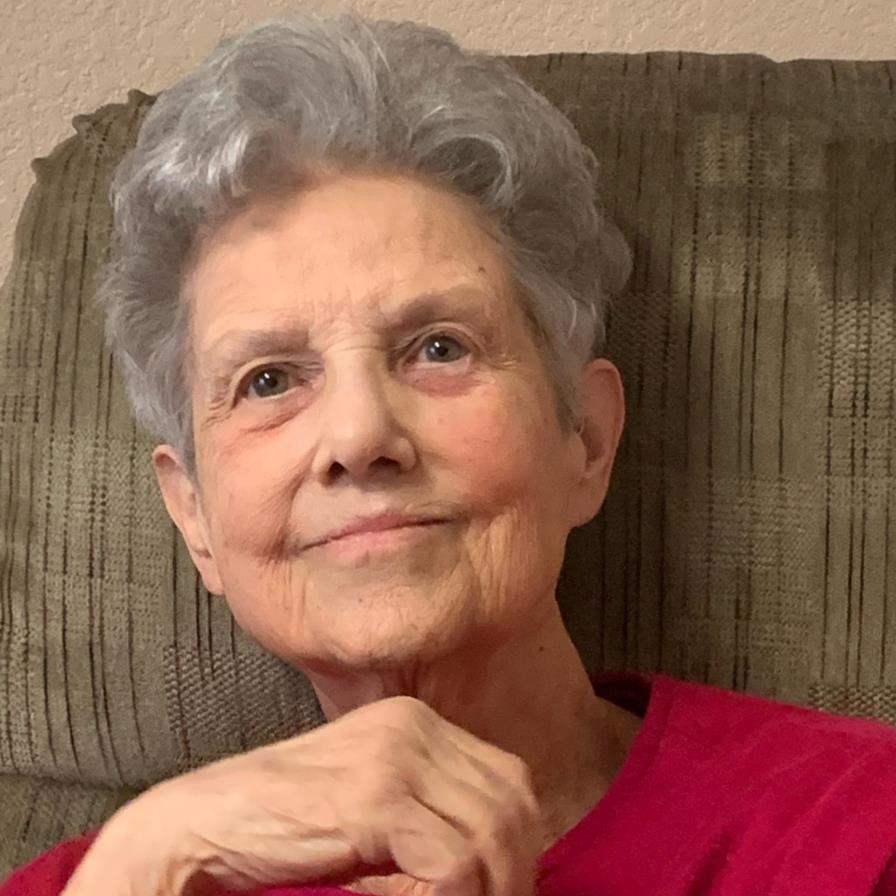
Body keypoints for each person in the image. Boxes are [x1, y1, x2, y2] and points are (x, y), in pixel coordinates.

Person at [3, 9, 896, 896]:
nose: (359, 438)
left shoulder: (860, 828)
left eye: (439, 348)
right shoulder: (109, 876)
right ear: (195, 517)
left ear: (585, 440)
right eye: (268, 381)